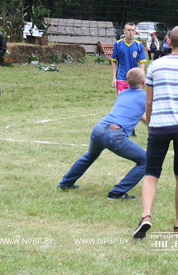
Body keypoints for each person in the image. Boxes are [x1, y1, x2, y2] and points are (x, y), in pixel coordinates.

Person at [133, 26, 178, 240]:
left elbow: (148, 102)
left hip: (159, 126)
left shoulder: (155, 66)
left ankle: (146, 216)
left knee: (151, 173)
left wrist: (151, 126)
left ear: (168, 43)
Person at [58, 68, 148, 198]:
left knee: (90, 156)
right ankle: (117, 192)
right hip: (115, 135)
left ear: (127, 82)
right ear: (143, 82)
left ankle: (65, 183)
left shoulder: (122, 94)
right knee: (146, 160)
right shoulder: (146, 97)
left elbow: (136, 114)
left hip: (99, 129)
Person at [111, 23, 146, 95]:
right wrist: (114, 78)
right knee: (122, 101)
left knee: (134, 102)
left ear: (135, 32)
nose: (130, 32)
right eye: (128, 30)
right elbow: (114, 61)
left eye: (132, 30)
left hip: (135, 80)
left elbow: (142, 63)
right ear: (124, 31)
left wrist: (142, 78)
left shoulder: (139, 45)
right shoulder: (118, 44)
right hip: (121, 78)